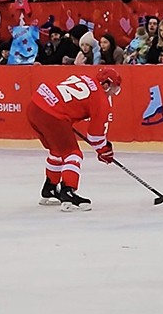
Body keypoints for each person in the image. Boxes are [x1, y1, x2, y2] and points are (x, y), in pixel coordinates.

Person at [26, 68, 121, 211]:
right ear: (106, 85)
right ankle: (68, 192)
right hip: (52, 114)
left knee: (57, 150)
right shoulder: (101, 100)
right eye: (114, 89)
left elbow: (66, 100)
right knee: (73, 153)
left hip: (35, 105)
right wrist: (104, 150)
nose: (114, 93)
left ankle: (50, 189)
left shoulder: (83, 77)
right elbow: (95, 135)